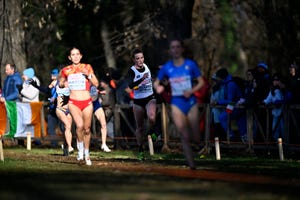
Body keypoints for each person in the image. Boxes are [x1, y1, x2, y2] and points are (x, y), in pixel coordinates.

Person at [154, 39, 205, 169]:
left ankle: (197, 143)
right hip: (176, 102)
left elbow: (201, 82)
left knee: (196, 135)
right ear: (170, 51)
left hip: (191, 101)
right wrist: (158, 88)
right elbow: (156, 82)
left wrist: (191, 91)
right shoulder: (167, 67)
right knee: (184, 134)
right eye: (173, 47)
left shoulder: (190, 65)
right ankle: (191, 165)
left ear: (182, 49)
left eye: (178, 47)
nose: (175, 50)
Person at [59, 47, 99, 166]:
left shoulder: (87, 67)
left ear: (81, 56)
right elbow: (61, 83)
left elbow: (96, 83)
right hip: (73, 102)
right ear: (69, 57)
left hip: (86, 101)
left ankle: (87, 154)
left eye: (77, 54)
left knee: (87, 129)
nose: (75, 56)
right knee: (80, 125)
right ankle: (80, 150)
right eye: (73, 54)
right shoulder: (66, 70)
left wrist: (89, 75)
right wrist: (62, 83)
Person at [126, 48, 157, 160]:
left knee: (152, 117)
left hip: (150, 97)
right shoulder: (131, 71)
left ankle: (153, 131)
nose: (140, 60)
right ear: (133, 60)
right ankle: (140, 150)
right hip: (138, 100)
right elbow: (130, 85)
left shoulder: (147, 67)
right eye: (137, 58)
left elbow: (155, 69)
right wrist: (141, 80)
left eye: (141, 58)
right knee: (140, 127)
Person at [262, 73, 284, 142]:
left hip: (283, 115)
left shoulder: (282, 90)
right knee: (274, 131)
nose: (275, 81)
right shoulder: (272, 91)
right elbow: (268, 99)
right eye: (274, 80)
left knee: (284, 131)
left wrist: (279, 102)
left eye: (277, 80)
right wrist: (263, 102)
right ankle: (277, 147)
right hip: (275, 114)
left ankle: (286, 148)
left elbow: (283, 99)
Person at [55, 79, 74, 154]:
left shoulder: (71, 88)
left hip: (68, 111)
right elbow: (48, 88)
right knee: (68, 125)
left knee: (68, 129)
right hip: (60, 110)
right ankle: (69, 147)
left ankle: (65, 147)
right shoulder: (59, 86)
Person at [90, 85, 111, 152]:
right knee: (85, 126)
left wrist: (98, 92)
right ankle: (82, 144)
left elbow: (94, 88)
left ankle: (104, 144)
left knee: (103, 124)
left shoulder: (93, 80)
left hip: (96, 104)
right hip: (87, 103)